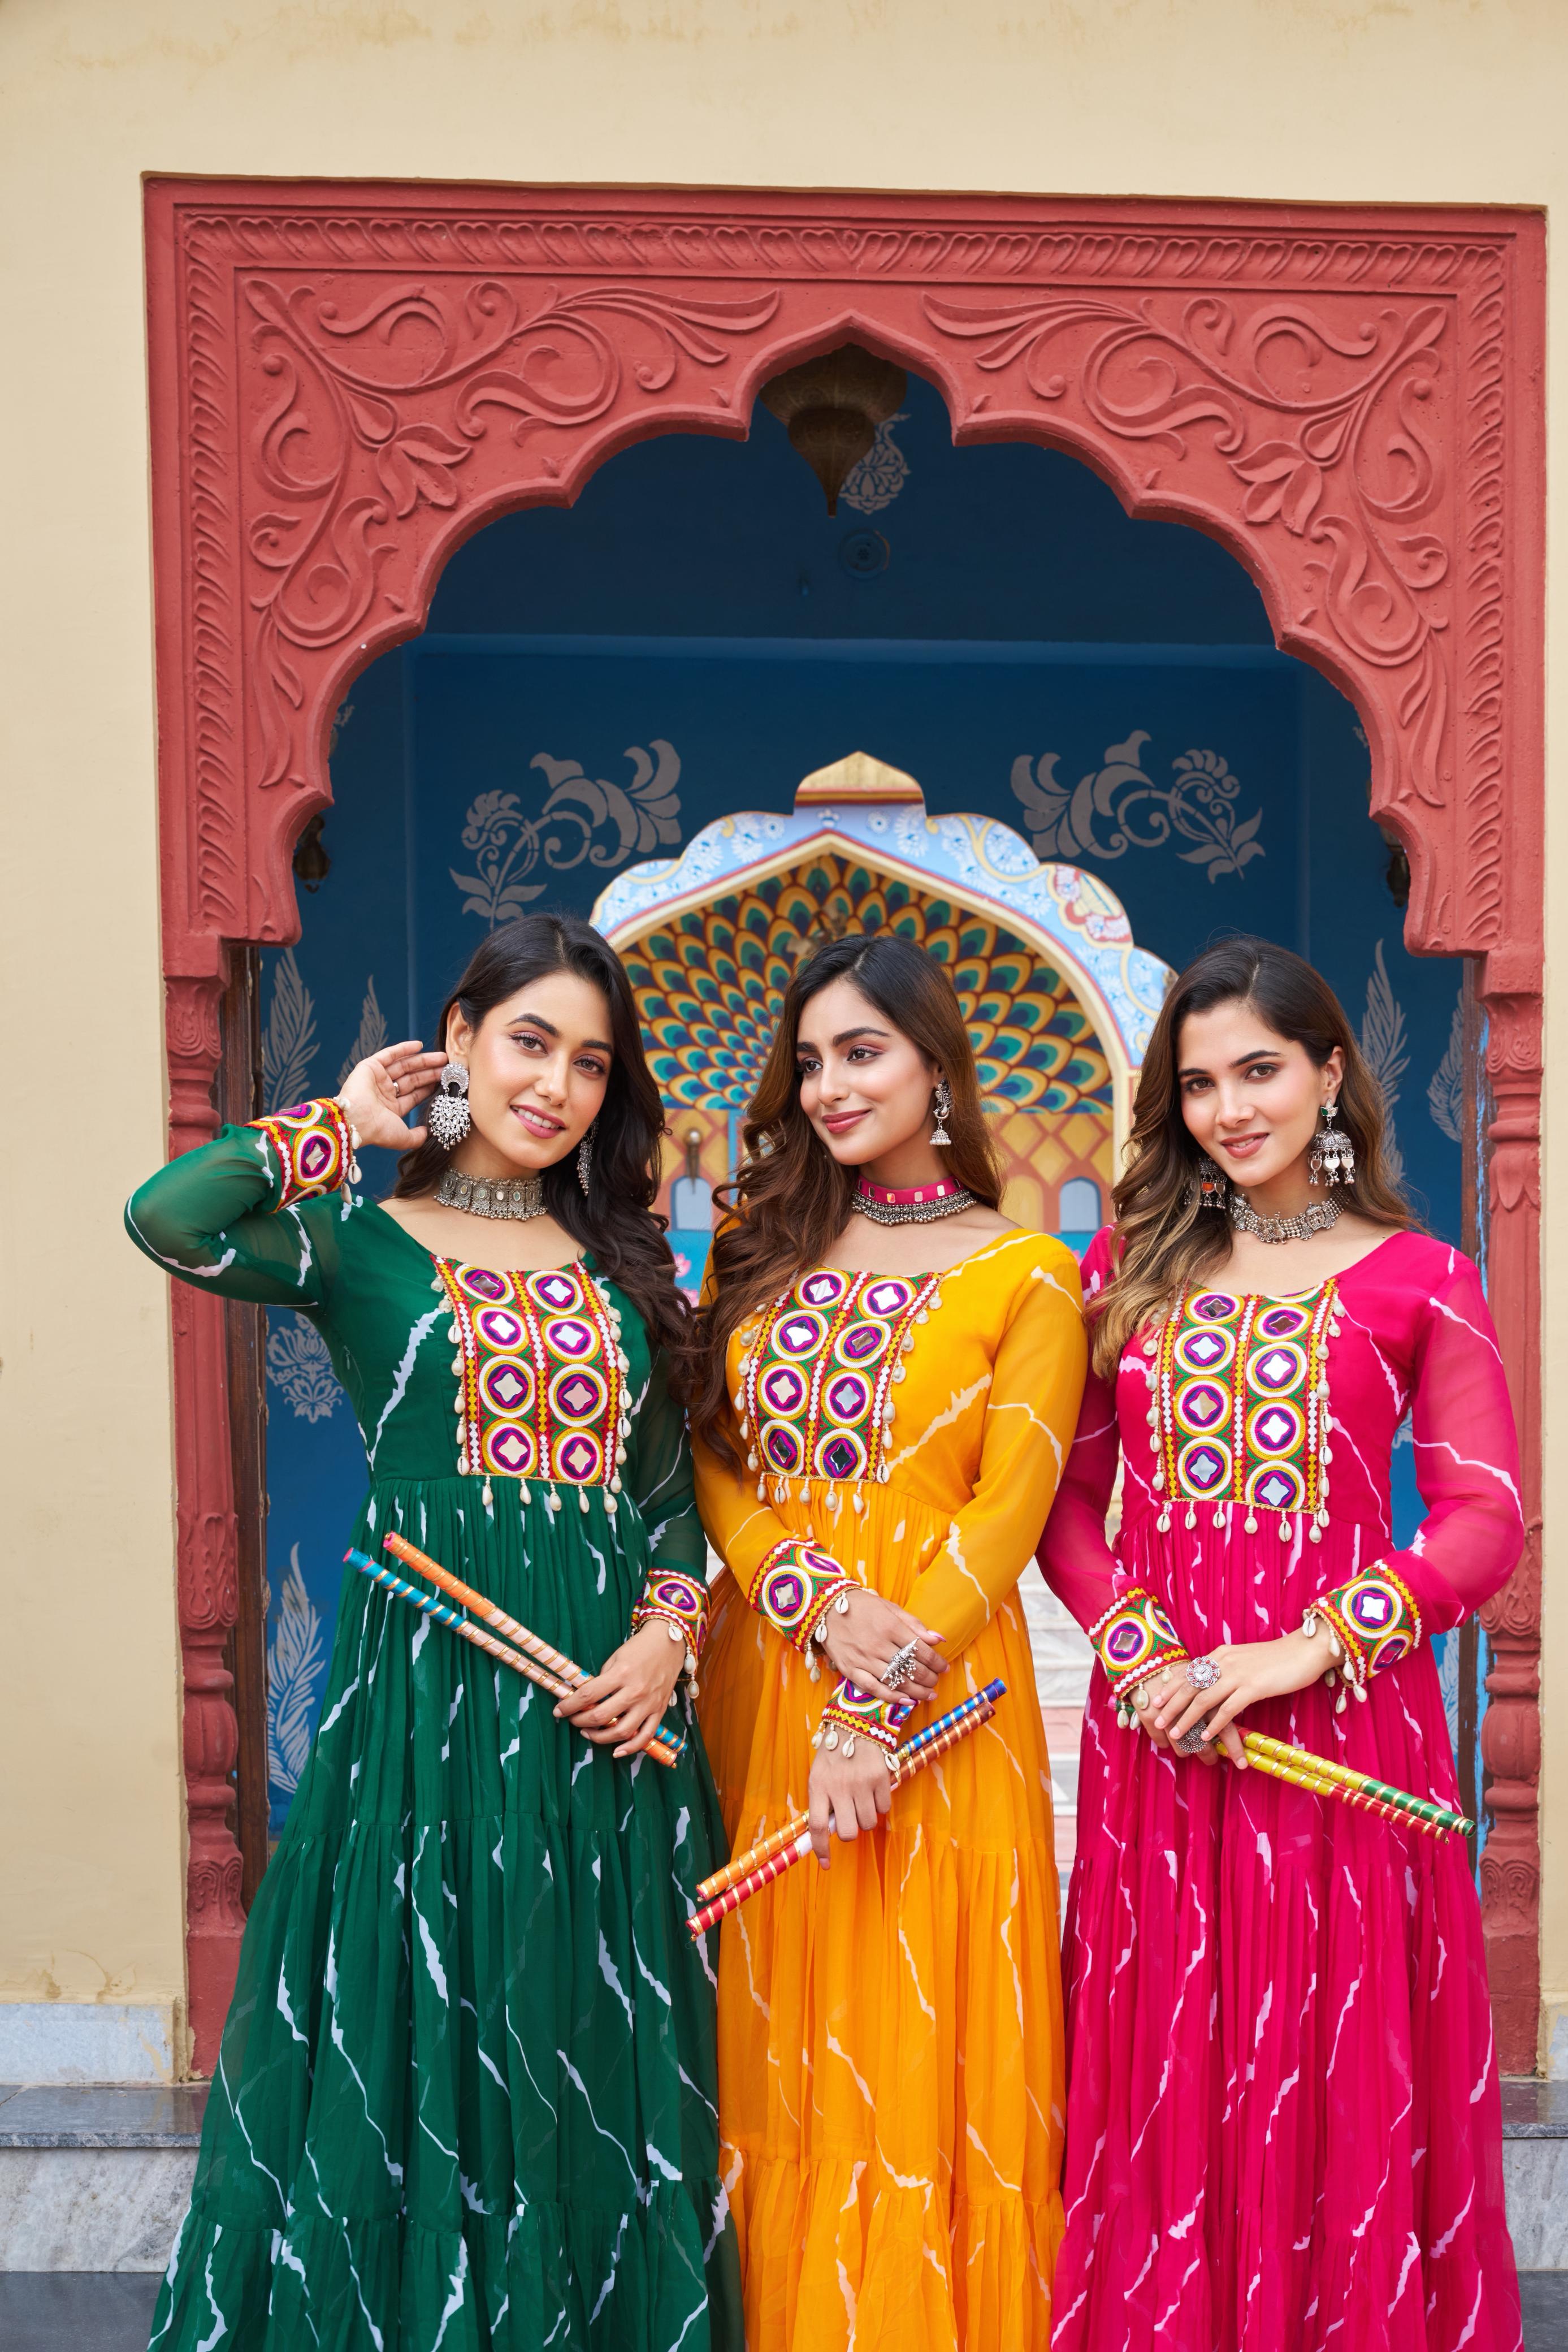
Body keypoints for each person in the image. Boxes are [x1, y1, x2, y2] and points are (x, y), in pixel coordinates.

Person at [127, 913, 741, 2351]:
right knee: (425, 2026)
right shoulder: (354, 1239)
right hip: (428, 1705)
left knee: (589, 2036)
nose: (558, 1085)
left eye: (592, 1062)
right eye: (529, 1042)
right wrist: (330, 1124)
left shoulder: (630, 1264)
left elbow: (668, 1502)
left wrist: (664, 1643)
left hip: (608, 1711)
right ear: (457, 1040)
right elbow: (169, 1217)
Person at [1037, 935, 1523, 2352]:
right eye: (1198, 1084)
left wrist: (1304, 1649)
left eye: (1259, 1070)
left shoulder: (1420, 1277)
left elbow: (1485, 1519)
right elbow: (1067, 1501)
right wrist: (1137, 1655)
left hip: (1339, 1723)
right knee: (1177, 2067)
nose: (1230, 1109)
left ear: (1329, 1074)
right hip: (1164, 1733)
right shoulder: (1124, 1265)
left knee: (1335, 2065)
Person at [689, 932, 1088, 2352]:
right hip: (767, 1678)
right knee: (775, 2037)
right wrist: (800, 1593)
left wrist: (879, 1701)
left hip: (933, 1700)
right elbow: (714, 1459)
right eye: (808, 1060)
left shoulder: (1030, 1270)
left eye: (861, 1051)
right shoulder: (760, 1249)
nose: (827, 1086)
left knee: (921, 2040)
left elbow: (1011, 1506)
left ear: (937, 1067)